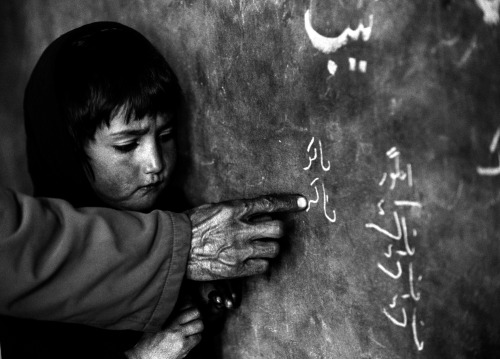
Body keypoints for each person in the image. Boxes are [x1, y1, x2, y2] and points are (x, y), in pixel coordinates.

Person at [0, 21, 307, 359]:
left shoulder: (177, 215)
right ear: (67, 153)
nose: (156, 163)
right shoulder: (32, 307)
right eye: (127, 144)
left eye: (165, 135)